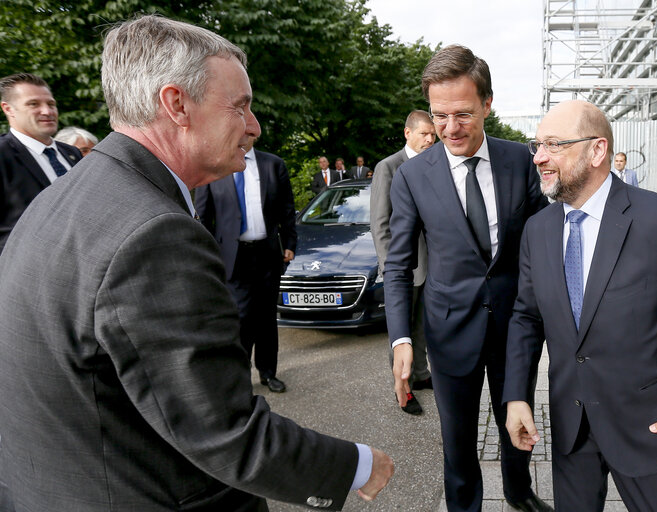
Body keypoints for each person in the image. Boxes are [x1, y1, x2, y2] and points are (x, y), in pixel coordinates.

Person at [0, 15, 393, 511]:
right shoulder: (154, 233)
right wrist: (355, 465)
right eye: (241, 107)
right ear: (176, 104)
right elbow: (221, 428)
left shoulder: (69, 196)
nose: (254, 126)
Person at [504, 100, 657, 512]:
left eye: (553, 145)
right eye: (536, 145)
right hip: (573, 432)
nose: (539, 157)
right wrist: (516, 397)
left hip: (656, 435)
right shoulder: (538, 229)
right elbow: (526, 318)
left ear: (597, 151)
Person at [384, 45, 550, 512]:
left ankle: (519, 493)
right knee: (456, 441)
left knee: (516, 420)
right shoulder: (413, 176)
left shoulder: (521, 161)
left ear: (488, 105)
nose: (450, 129)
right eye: (440, 116)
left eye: (463, 114)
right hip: (449, 328)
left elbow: (548, 240)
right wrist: (400, 338)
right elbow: (397, 264)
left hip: (515, 328)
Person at [196, 132, 296, 393]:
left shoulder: (273, 165)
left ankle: (267, 373)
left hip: (267, 253)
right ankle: (238, 377)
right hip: (231, 256)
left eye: (247, 133)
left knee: (266, 317)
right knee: (240, 317)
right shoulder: (214, 167)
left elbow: (287, 209)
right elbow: (204, 217)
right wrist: (208, 255)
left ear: (253, 136)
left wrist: (290, 244)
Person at [371, 109, 436, 415]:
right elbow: (380, 222)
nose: (430, 139)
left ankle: (421, 375)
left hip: (432, 265)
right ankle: (405, 389)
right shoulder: (389, 167)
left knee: (422, 327)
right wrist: (389, 267)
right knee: (401, 331)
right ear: (408, 133)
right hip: (402, 267)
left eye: (432, 135)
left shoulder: (434, 165)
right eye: (425, 134)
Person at [0, 73, 82, 253]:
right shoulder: (3, 155)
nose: (47, 111)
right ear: (8, 109)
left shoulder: (72, 153)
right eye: (33, 104)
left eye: (51, 104)